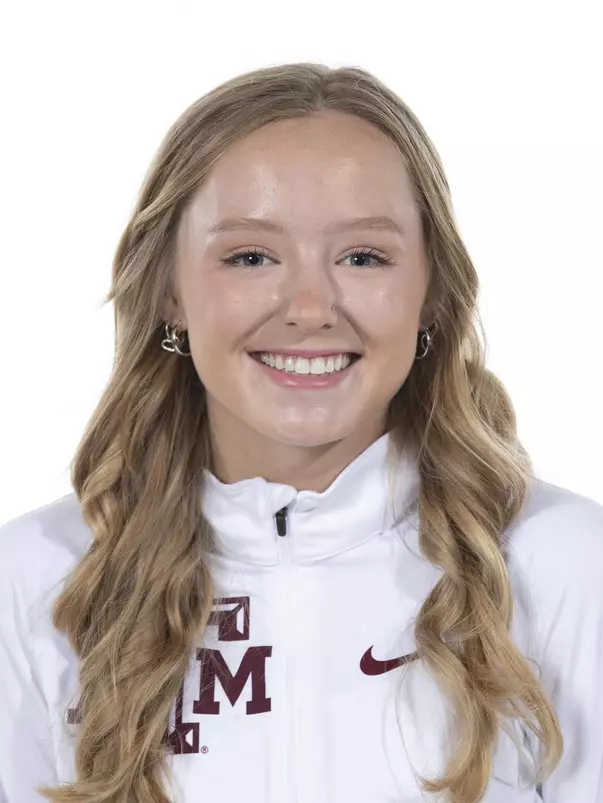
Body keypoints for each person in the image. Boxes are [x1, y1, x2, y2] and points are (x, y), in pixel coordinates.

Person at [1, 62, 602, 803]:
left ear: (431, 295)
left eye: (363, 257)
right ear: (169, 293)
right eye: (250, 257)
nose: (311, 308)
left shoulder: (566, 565)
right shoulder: (35, 580)